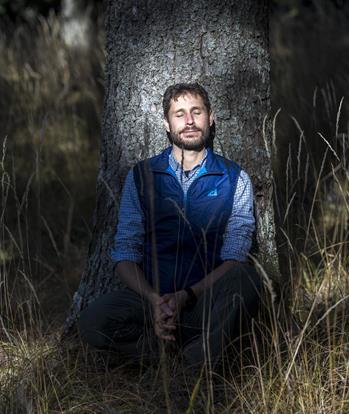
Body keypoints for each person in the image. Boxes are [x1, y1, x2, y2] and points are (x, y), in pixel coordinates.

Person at [78, 82, 262, 367]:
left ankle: (197, 364)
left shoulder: (235, 178)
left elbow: (235, 258)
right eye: (179, 114)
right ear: (166, 123)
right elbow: (125, 254)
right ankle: (165, 357)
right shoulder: (142, 176)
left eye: (196, 112)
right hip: (152, 301)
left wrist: (187, 296)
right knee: (92, 321)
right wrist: (155, 301)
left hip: (205, 303)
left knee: (247, 279)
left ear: (210, 118)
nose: (189, 121)